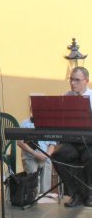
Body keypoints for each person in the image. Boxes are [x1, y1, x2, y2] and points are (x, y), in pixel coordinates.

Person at [51, 66, 92, 207]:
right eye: (71, 80)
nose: (73, 83)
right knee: (58, 156)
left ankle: (90, 194)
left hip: (89, 142)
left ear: (86, 81)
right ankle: (75, 194)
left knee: (90, 157)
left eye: (77, 80)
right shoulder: (66, 96)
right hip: (71, 142)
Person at [17, 116, 56, 195]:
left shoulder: (50, 124)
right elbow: (20, 142)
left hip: (45, 154)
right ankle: (33, 197)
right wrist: (36, 154)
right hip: (31, 154)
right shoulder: (25, 124)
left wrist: (46, 155)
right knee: (33, 185)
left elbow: (52, 144)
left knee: (45, 186)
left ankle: (44, 195)